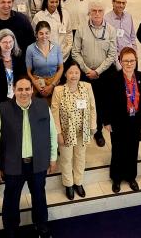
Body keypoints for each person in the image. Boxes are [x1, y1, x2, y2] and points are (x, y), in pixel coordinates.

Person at [0, 77, 58, 238]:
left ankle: (41, 226)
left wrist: (53, 157)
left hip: (38, 163)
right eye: (20, 89)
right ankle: (11, 229)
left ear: (32, 90)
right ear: (14, 90)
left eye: (27, 89)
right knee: (11, 200)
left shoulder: (43, 106)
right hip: (13, 164)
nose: (24, 93)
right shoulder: (3, 109)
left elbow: (52, 133)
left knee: (39, 197)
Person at [103, 47, 141, 193]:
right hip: (118, 120)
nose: (129, 64)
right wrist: (107, 121)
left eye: (132, 61)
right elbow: (106, 102)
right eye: (126, 61)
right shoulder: (113, 79)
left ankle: (131, 177)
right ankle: (116, 178)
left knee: (132, 148)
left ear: (136, 62)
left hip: (136, 120)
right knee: (118, 149)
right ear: (120, 62)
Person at [72, 0, 116, 147]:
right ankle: (84, 130)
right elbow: (75, 52)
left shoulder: (110, 30)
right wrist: (87, 70)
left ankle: (98, 132)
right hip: (86, 73)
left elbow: (112, 55)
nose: (97, 14)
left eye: (100, 11)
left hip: (103, 74)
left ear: (104, 12)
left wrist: (98, 71)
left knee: (101, 103)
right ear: (89, 13)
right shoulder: (81, 29)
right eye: (94, 11)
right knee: (86, 103)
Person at [50, 61, 96, 200]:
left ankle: (78, 182)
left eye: (76, 72)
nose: (74, 75)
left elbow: (92, 107)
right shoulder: (58, 90)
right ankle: (68, 184)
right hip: (66, 131)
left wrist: (93, 126)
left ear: (80, 73)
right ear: (65, 74)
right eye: (70, 72)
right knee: (66, 158)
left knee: (80, 157)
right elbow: (54, 112)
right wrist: (58, 133)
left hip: (83, 130)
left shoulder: (87, 87)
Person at [32, 0, 72, 65]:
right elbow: (34, 37)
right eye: (51, 2)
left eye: (57, 2)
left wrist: (65, 52)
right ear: (46, 1)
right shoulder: (39, 16)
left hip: (63, 57)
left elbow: (69, 34)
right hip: (44, 58)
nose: (54, 5)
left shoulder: (65, 14)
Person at [26, 21, 64, 100]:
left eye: (47, 33)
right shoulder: (30, 49)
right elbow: (29, 71)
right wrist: (35, 84)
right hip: (38, 82)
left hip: (54, 81)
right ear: (36, 34)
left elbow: (61, 68)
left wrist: (52, 85)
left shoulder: (56, 47)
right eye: (41, 33)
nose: (44, 36)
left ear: (50, 33)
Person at [105, 0, 137, 70]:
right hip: (116, 59)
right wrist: (118, 64)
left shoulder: (128, 16)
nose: (121, 5)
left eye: (123, 3)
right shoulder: (106, 19)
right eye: (118, 2)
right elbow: (107, 44)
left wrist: (134, 55)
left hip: (130, 57)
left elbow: (132, 38)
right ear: (113, 2)